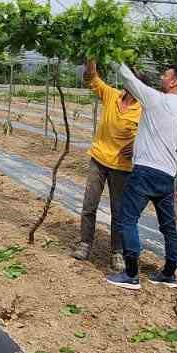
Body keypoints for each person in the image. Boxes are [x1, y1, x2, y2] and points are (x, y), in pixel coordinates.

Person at [105, 61, 177, 290]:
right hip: (168, 177)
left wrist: (113, 55)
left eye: (165, 75)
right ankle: (168, 273)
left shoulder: (156, 99)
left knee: (127, 219)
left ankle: (131, 274)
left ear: (174, 81)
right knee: (168, 226)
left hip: (144, 172)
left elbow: (129, 79)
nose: (161, 77)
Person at [75, 59, 140, 271]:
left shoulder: (143, 109)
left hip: (122, 167)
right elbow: (92, 79)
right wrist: (92, 56)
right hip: (98, 159)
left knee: (118, 210)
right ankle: (85, 244)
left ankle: (117, 252)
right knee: (89, 204)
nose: (126, 83)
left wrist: (138, 145)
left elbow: (155, 133)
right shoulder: (112, 95)